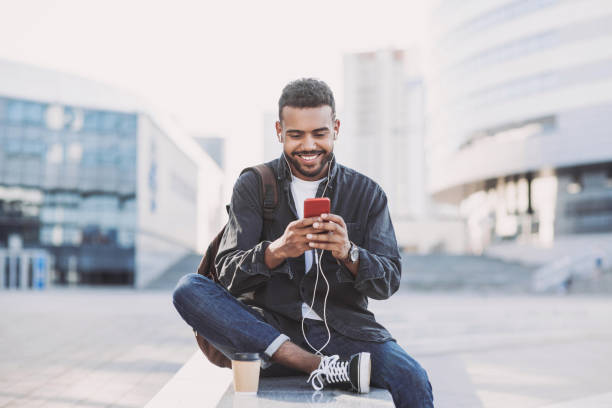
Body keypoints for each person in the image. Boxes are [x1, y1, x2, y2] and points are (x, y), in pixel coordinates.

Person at [173, 78, 433, 407]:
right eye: (296, 135)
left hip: (346, 333)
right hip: (268, 334)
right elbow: (225, 272)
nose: (308, 146)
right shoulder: (254, 184)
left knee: (413, 378)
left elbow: (388, 282)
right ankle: (320, 367)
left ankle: (335, 366)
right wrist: (277, 250)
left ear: (335, 128)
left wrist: (348, 252)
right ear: (280, 132)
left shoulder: (367, 194)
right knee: (188, 289)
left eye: (319, 134)